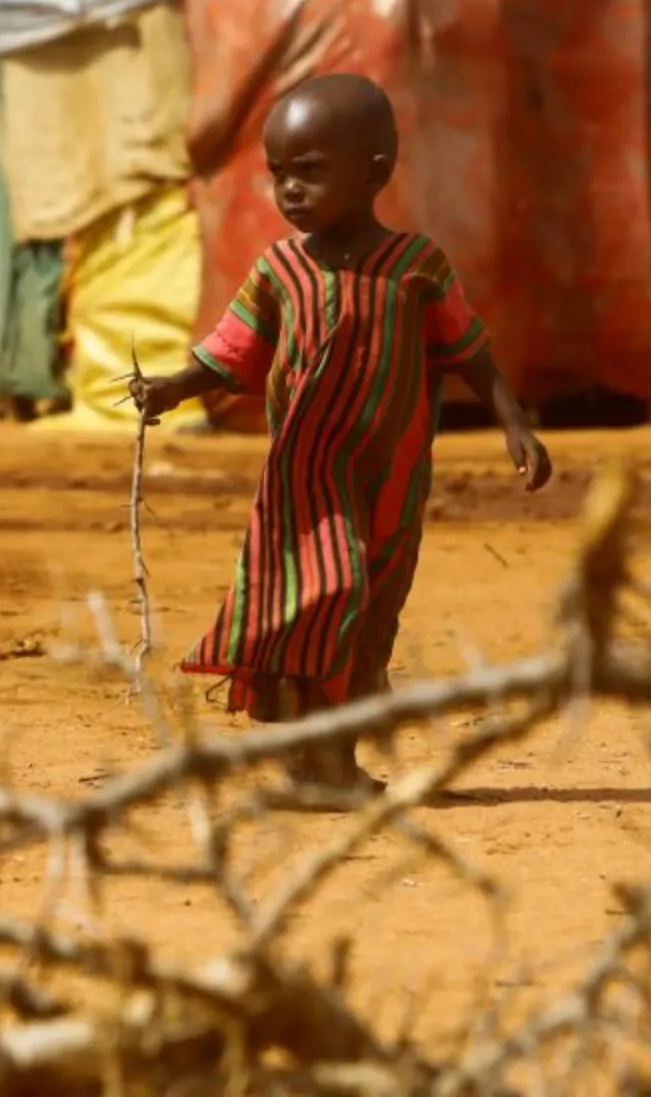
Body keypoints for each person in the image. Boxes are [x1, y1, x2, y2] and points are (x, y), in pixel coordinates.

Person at [131, 72, 552, 803]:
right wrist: (171, 386)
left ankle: (328, 766)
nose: (290, 190)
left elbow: (467, 350)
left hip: (389, 481)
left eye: (311, 172)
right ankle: (316, 762)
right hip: (304, 484)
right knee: (327, 598)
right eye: (280, 175)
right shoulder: (281, 271)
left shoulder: (416, 267)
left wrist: (515, 421)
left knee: (369, 612)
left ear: (376, 170)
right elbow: (230, 349)